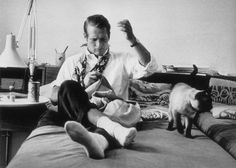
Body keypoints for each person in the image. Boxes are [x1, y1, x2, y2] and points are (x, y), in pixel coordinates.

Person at [38, 14, 158, 159]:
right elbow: (57, 94)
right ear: (85, 36)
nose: (99, 45)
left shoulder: (122, 59)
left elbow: (148, 67)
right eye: (94, 40)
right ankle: (112, 130)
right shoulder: (72, 61)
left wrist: (132, 39)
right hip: (77, 113)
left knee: (119, 109)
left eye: (103, 39)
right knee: (68, 87)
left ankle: (99, 139)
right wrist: (82, 87)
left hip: (111, 112)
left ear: (109, 36)